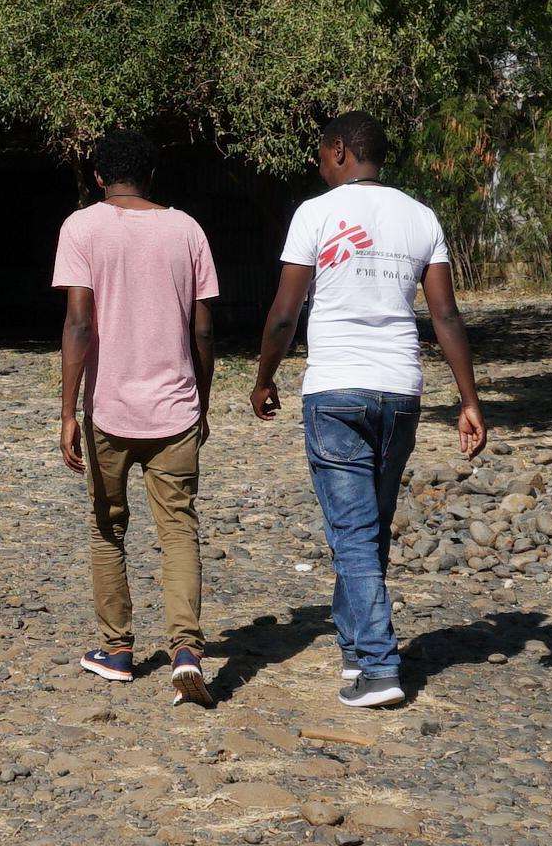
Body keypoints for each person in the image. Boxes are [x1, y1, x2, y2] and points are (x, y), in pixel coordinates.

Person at [250, 112, 485, 708]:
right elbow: (446, 317)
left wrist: (264, 377)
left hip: (336, 390)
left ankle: (381, 667)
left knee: (352, 531)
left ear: (340, 150)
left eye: (321, 152)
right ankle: (357, 650)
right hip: (401, 391)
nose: (317, 162)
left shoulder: (315, 214)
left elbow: (284, 313)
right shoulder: (420, 216)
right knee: (368, 528)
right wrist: (469, 400)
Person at [53, 129, 222, 704]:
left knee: (108, 529)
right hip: (175, 408)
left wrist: (68, 409)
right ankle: (186, 651)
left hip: (109, 411)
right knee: (178, 531)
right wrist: (202, 396)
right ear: (152, 175)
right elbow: (203, 330)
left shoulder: (82, 228)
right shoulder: (187, 230)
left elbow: (79, 324)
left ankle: (118, 649)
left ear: (98, 176)